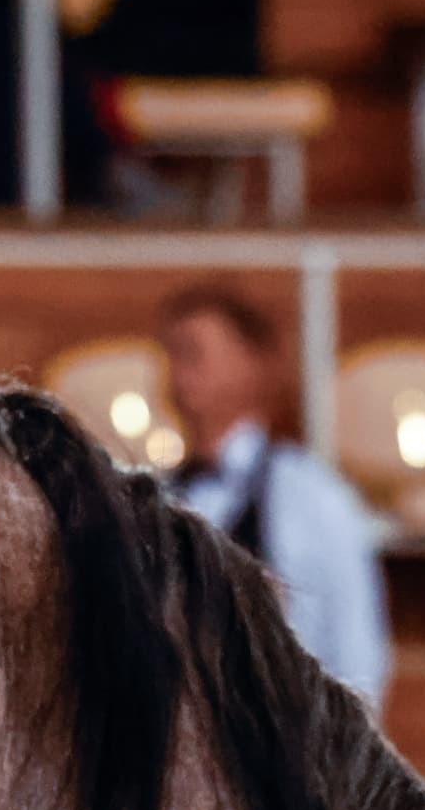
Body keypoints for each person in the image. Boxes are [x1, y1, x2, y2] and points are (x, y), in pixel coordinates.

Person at [161, 284, 393, 709]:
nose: (178, 375)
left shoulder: (312, 498)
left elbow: (356, 652)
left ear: (252, 364)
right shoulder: (159, 499)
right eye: (172, 356)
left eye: (194, 354)